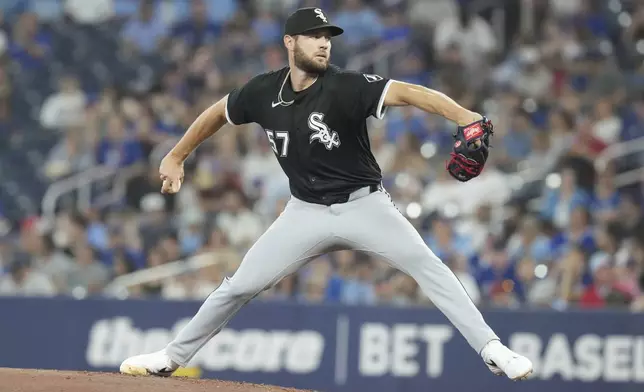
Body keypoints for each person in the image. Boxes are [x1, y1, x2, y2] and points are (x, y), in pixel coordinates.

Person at [119, 7, 533, 381]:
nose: (323, 43)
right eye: (314, 35)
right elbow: (217, 113)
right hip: (304, 212)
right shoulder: (263, 92)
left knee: (428, 266)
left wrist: (464, 116)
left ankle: (492, 348)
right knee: (239, 286)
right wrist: (176, 155)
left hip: (365, 204)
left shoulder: (346, 86)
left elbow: (410, 92)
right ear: (290, 42)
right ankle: (171, 358)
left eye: (328, 37)